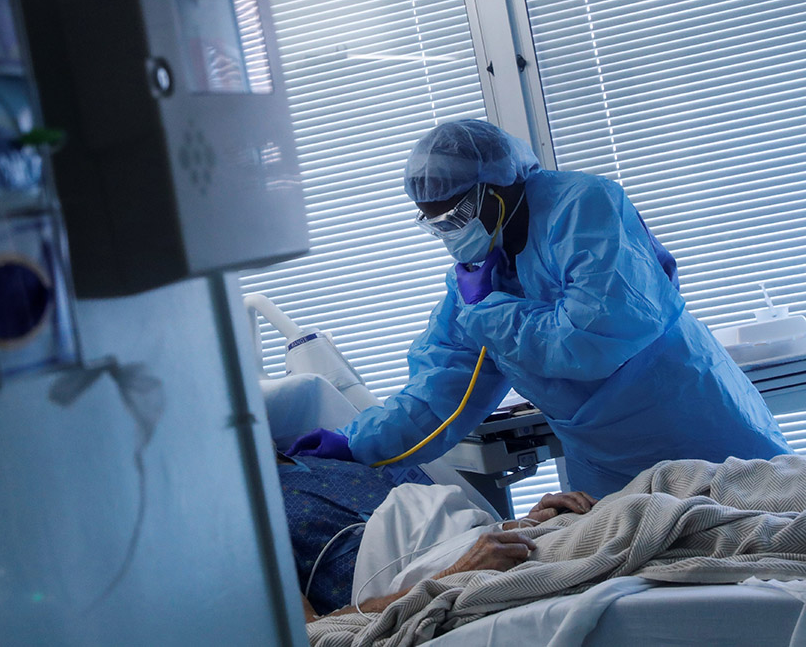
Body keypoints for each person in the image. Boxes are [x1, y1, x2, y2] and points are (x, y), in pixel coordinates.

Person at [289, 119, 791, 498]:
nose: (451, 232)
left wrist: (488, 310)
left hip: (702, 434)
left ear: (499, 183)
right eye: (437, 223)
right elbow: (440, 396)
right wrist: (354, 442)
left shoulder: (584, 208)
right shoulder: (476, 282)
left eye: (458, 214)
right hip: (609, 470)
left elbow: (595, 339)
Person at [276, 449, 596, 620]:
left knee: (621, 507)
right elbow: (310, 634)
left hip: (495, 548)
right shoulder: (246, 525)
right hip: (452, 584)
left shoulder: (329, 463)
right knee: (630, 522)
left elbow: (433, 526)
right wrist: (453, 576)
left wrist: (525, 523)